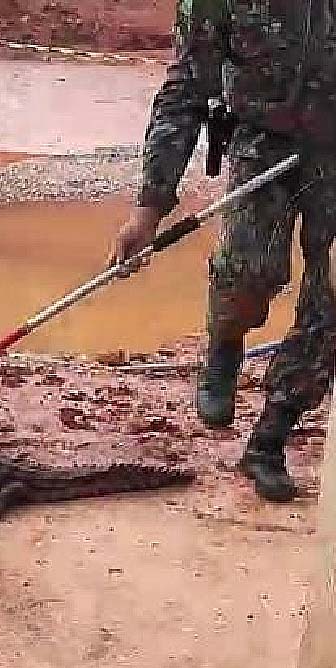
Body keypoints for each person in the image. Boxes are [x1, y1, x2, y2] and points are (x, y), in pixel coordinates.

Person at [110, 0, 336, 502]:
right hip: (262, 142)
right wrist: (149, 208)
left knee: (328, 303)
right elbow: (186, 90)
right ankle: (225, 341)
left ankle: (272, 434)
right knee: (249, 274)